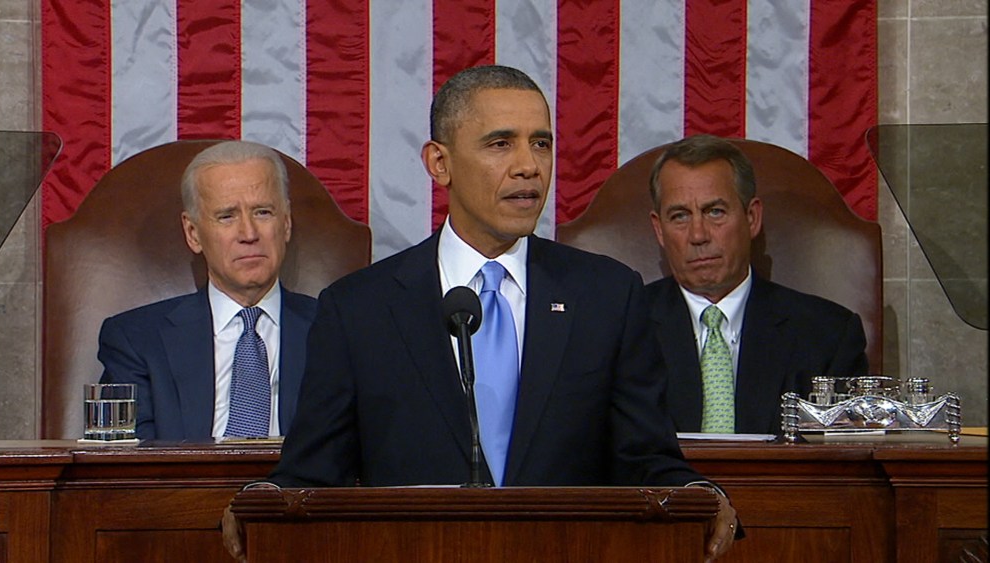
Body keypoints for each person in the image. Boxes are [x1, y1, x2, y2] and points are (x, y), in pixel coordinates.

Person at [222, 66, 738, 562]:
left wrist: (698, 493)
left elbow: (646, 459)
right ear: (439, 163)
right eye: (500, 144)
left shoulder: (606, 295)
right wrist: (263, 500)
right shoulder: (360, 308)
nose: (529, 166)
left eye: (541, 143)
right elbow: (314, 472)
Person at [645, 134, 869, 435]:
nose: (698, 235)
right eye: (680, 216)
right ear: (659, 230)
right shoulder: (622, 328)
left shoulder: (829, 335)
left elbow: (845, 455)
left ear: (751, 218)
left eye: (715, 212)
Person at [97, 140, 317, 440]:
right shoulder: (136, 341)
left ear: (286, 223)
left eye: (263, 212)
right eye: (227, 216)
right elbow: (127, 461)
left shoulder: (336, 330)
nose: (249, 233)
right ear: (193, 233)